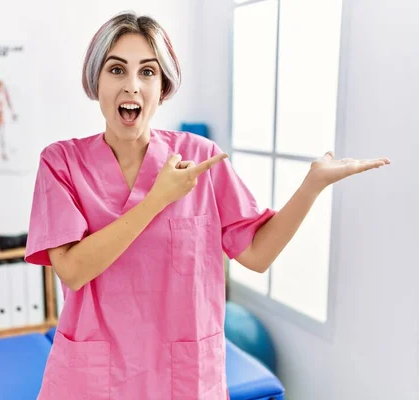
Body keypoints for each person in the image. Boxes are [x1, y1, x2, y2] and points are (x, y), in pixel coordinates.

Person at [24, 11, 390, 400]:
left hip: (181, 378)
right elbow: (72, 270)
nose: (132, 86)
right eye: (117, 70)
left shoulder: (201, 158)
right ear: (95, 80)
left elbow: (256, 253)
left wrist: (311, 186)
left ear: (163, 85)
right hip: (95, 380)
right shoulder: (61, 162)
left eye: (147, 72)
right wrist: (158, 199)